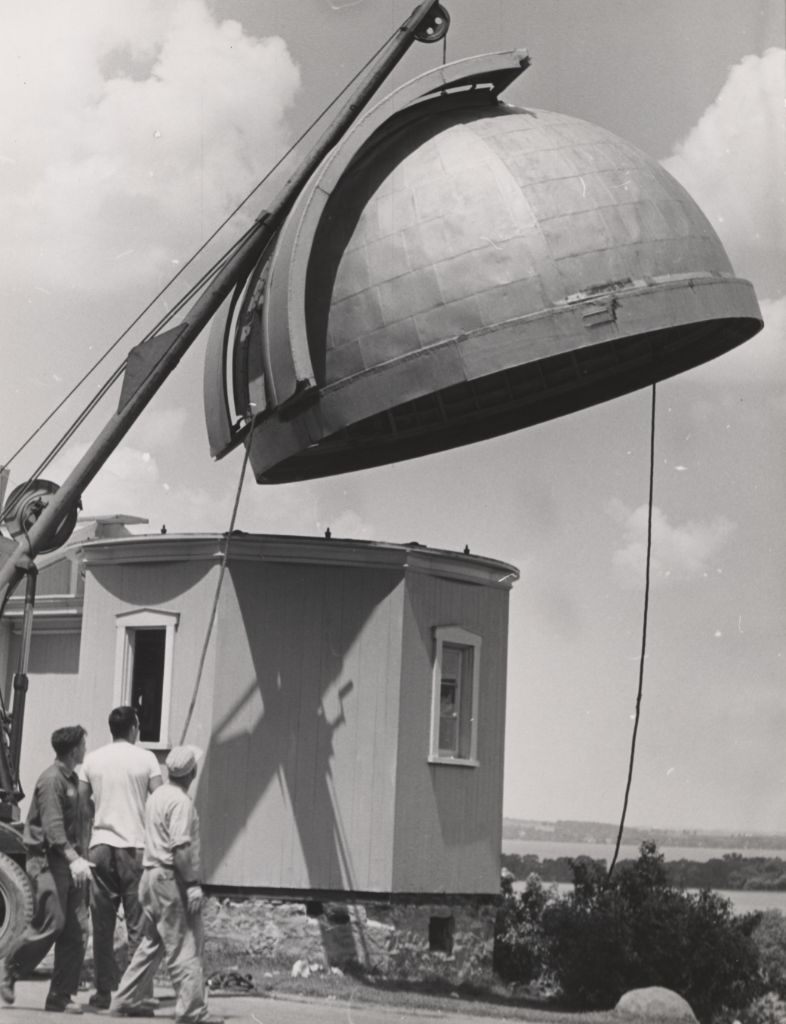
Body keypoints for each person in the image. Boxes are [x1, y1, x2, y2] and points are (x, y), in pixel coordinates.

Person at [112, 746, 221, 1024]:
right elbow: (181, 848)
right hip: (171, 879)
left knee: (153, 943)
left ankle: (126, 998)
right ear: (192, 772)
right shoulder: (182, 803)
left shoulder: (158, 796)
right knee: (186, 944)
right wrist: (193, 884)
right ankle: (192, 1011)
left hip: (150, 877)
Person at [0, 725, 92, 1014]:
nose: (85, 749)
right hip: (49, 861)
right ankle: (9, 970)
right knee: (53, 921)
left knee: (77, 930)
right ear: (74, 749)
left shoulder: (73, 780)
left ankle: (60, 996)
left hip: (71, 862)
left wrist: (81, 857)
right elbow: (53, 828)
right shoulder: (51, 780)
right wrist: (71, 856)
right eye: (83, 744)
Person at [78, 706, 162, 1010]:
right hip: (134, 846)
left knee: (102, 924)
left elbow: (81, 798)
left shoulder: (93, 759)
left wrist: (95, 825)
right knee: (140, 924)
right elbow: (160, 798)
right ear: (134, 728)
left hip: (100, 846)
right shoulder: (146, 758)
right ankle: (138, 994)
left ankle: (103, 992)